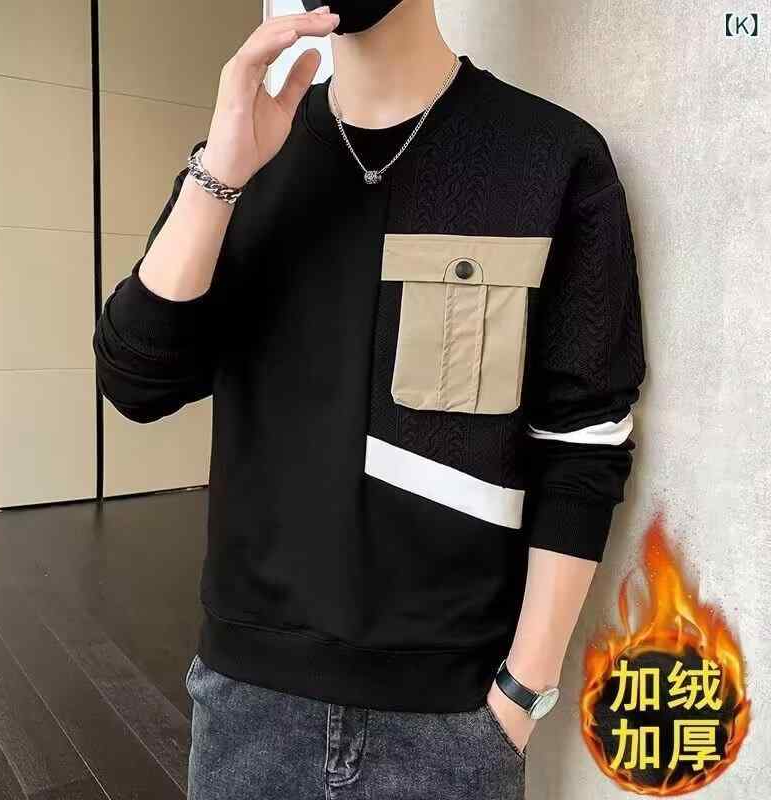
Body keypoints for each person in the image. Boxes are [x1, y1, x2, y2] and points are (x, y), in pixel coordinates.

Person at [92, 1, 647, 798]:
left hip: (454, 720)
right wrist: (219, 176)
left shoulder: (551, 157)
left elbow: (585, 440)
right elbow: (135, 381)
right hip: (248, 705)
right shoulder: (245, 160)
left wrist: (520, 695)